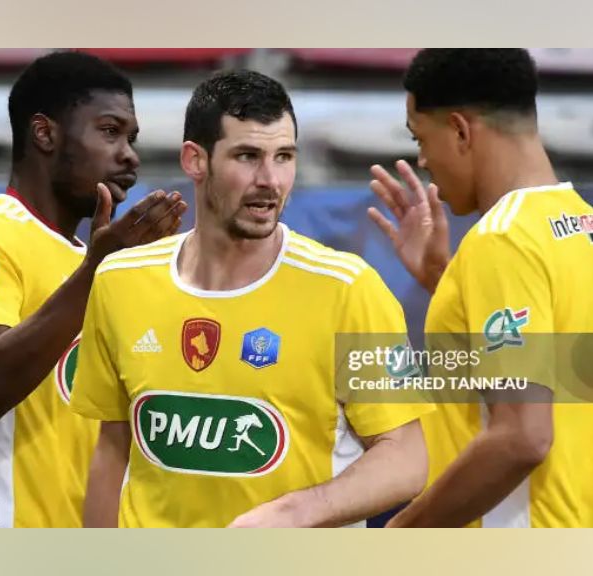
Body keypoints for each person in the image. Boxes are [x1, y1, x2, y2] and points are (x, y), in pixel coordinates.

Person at [69, 69, 433, 528]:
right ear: (195, 160)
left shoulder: (347, 288)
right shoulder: (120, 280)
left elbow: (405, 456)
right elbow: (112, 447)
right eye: (248, 156)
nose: (270, 180)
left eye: (284, 157)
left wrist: (296, 512)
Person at [0, 51, 187, 528]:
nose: (129, 154)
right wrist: (95, 273)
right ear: (44, 134)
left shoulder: (101, 262)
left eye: (131, 138)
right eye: (109, 131)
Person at [368, 48, 593, 527]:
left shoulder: (502, 239)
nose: (423, 160)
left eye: (420, 138)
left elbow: (523, 437)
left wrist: (402, 532)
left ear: (460, 130)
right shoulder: (580, 224)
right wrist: (447, 281)